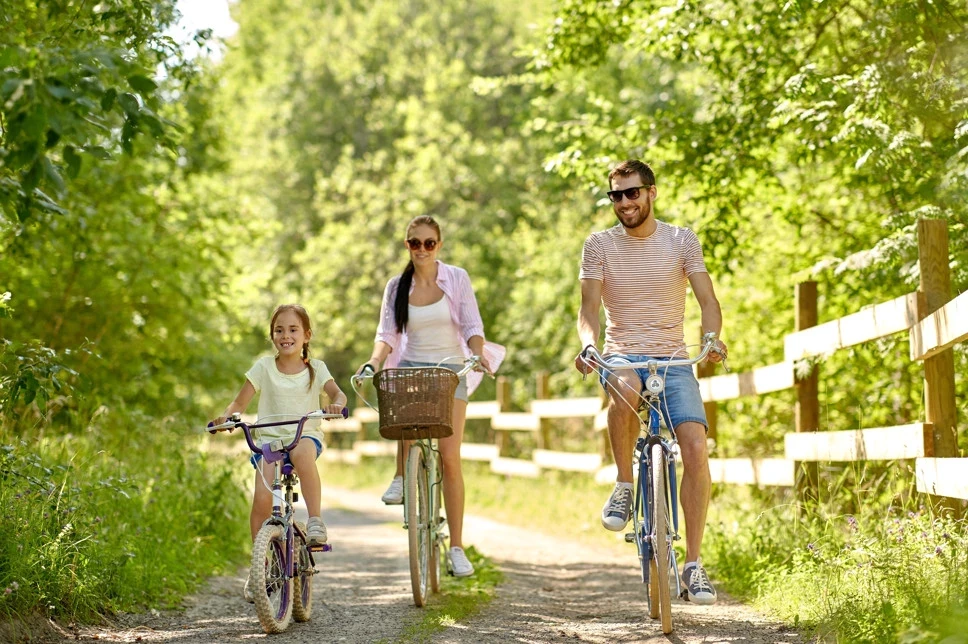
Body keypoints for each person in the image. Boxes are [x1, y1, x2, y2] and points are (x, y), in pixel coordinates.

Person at [575, 160, 727, 605]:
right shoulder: (599, 245)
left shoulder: (682, 240)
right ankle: (625, 484)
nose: (624, 202)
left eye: (632, 193)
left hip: (674, 359)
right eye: (616, 195)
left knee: (695, 446)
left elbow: (708, 300)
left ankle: (693, 565)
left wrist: (712, 339)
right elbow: (588, 309)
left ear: (651, 192)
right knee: (623, 389)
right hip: (623, 354)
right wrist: (589, 345)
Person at [357, 215, 505, 578]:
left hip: (450, 369)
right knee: (402, 419)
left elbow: (472, 324)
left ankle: (456, 547)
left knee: (450, 457)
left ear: (438, 245)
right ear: (406, 245)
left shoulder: (456, 277)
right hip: (410, 366)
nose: (421, 249)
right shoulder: (396, 287)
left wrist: (476, 353)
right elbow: (387, 334)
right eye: (414, 243)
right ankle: (401, 476)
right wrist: (372, 363)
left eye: (428, 243)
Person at [212, 303, 347, 602]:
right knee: (262, 499)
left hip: (304, 435)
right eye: (279, 330)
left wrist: (336, 404)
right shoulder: (263, 367)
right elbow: (239, 403)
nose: (286, 335)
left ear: (306, 335)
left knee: (302, 454)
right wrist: (227, 417)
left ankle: (315, 520)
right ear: (272, 335)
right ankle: (259, 566)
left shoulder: (316, 368)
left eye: (293, 329)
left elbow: (337, 393)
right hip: (270, 441)